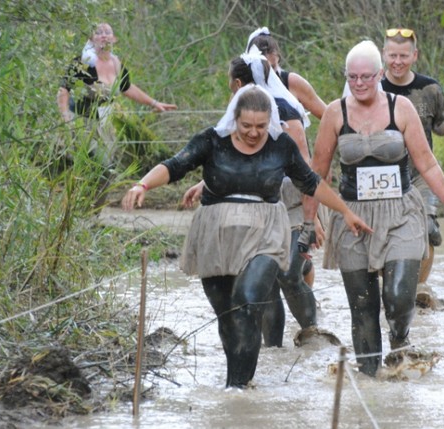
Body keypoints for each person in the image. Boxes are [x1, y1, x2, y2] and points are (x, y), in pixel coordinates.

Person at [122, 84, 372, 388]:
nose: (254, 133)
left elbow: (310, 182)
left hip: (266, 231)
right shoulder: (212, 141)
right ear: (234, 119)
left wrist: (344, 211)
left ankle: (238, 388)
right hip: (217, 234)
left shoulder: (281, 146)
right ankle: (236, 384)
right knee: (228, 317)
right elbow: (175, 165)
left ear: (271, 121)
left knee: (249, 300)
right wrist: (143, 186)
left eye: (261, 126)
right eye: (246, 126)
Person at [301, 40, 444, 377]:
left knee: (397, 297)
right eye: (353, 77)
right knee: (363, 310)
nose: (360, 83)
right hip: (352, 215)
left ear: (380, 75)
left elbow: (427, 164)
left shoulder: (401, 109)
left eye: (367, 76)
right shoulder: (336, 113)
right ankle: (370, 382)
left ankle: (400, 340)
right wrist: (309, 223)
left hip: (401, 212)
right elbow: (316, 173)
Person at [182, 47, 323, 348]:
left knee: (288, 275)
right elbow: (232, 162)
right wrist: (204, 184)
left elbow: (306, 168)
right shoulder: (240, 114)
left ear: (237, 83)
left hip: (289, 201)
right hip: (252, 205)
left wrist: (314, 219)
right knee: (267, 284)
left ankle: (312, 332)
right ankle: (272, 350)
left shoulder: (285, 110)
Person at [380, 28, 444, 306]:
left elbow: (440, 126)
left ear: (415, 56)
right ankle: (389, 288)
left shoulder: (430, 88)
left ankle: (419, 289)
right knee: (383, 232)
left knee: (429, 229)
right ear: (384, 55)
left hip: (420, 172)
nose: (397, 62)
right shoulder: (373, 86)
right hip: (382, 173)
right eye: (392, 55)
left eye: (404, 56)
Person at [56, 22, 176, 206]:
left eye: (107, 32)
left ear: (114, 38)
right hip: (81, 122)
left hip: (104, 124)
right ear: (91, 39)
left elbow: (127, 87)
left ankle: (90, 214)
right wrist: (66, 119)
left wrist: (154, 103)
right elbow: (63, 90)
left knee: (106, 171)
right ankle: (74, 211)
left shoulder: (116, 62)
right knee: (98, 167)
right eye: (98, 32)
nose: (103, 35)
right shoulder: (83, 61)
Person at [246, 27, 328, 289]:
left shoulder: (293, 84)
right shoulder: (245, 90)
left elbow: (328, 117)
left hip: (297, 181)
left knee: (298, 263)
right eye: (261, 66)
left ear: (278, 59)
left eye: (271, 66)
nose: (266, 73)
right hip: (262, 186)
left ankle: (305, 309)